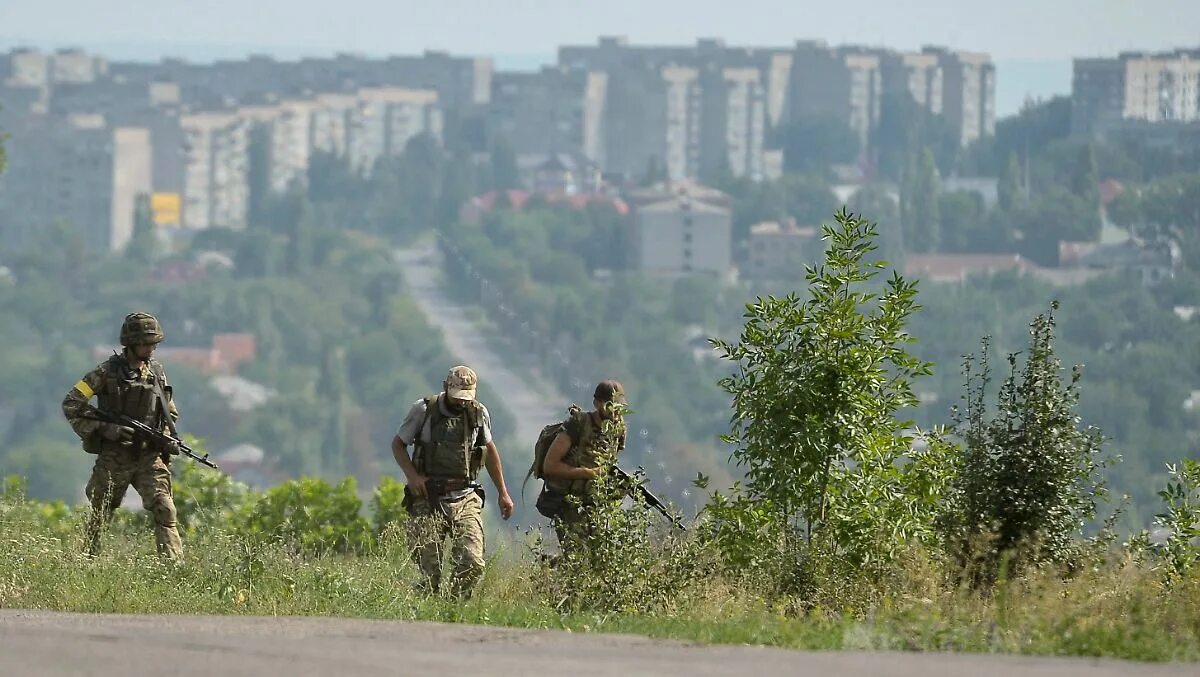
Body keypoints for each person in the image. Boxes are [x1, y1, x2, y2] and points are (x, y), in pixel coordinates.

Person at [62, 312, 183, 560]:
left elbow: (169, 411)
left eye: (153, 343)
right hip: (116, 456)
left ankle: (174, 568)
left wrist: (167, 436)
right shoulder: (105, 373)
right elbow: (72, 403)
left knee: (165, 509)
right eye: (145, 343)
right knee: (101, 512)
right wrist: (107, 429)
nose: (151, 348)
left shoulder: (157, 373)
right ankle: (89, 561)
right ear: (131, 342)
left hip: (149, 455)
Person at [391, 365, 515, 596]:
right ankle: (424, 612)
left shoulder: (478, 413)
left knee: (472, 563)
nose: (461, 403)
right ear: (446, 387)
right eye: (457, 397)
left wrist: (503, 492)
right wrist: (413, 477)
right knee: (430, 573)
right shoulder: (423, 410)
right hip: (428, 496)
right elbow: (398, 445)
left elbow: (489, 451)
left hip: (465, 496)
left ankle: (454, 607)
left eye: (466, 398)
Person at [539, 380, 628, 559]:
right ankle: (550, 567)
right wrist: (588, 473)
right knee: (577, 561)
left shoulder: (618, 430)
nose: (615, 410)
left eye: (618, 406)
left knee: (600, 561)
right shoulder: (578, 424)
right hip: (569, 503)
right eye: (610, 405)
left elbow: (610, 464)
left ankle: (552, 564)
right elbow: (550, 466)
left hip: (596, 505)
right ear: (597, 403)